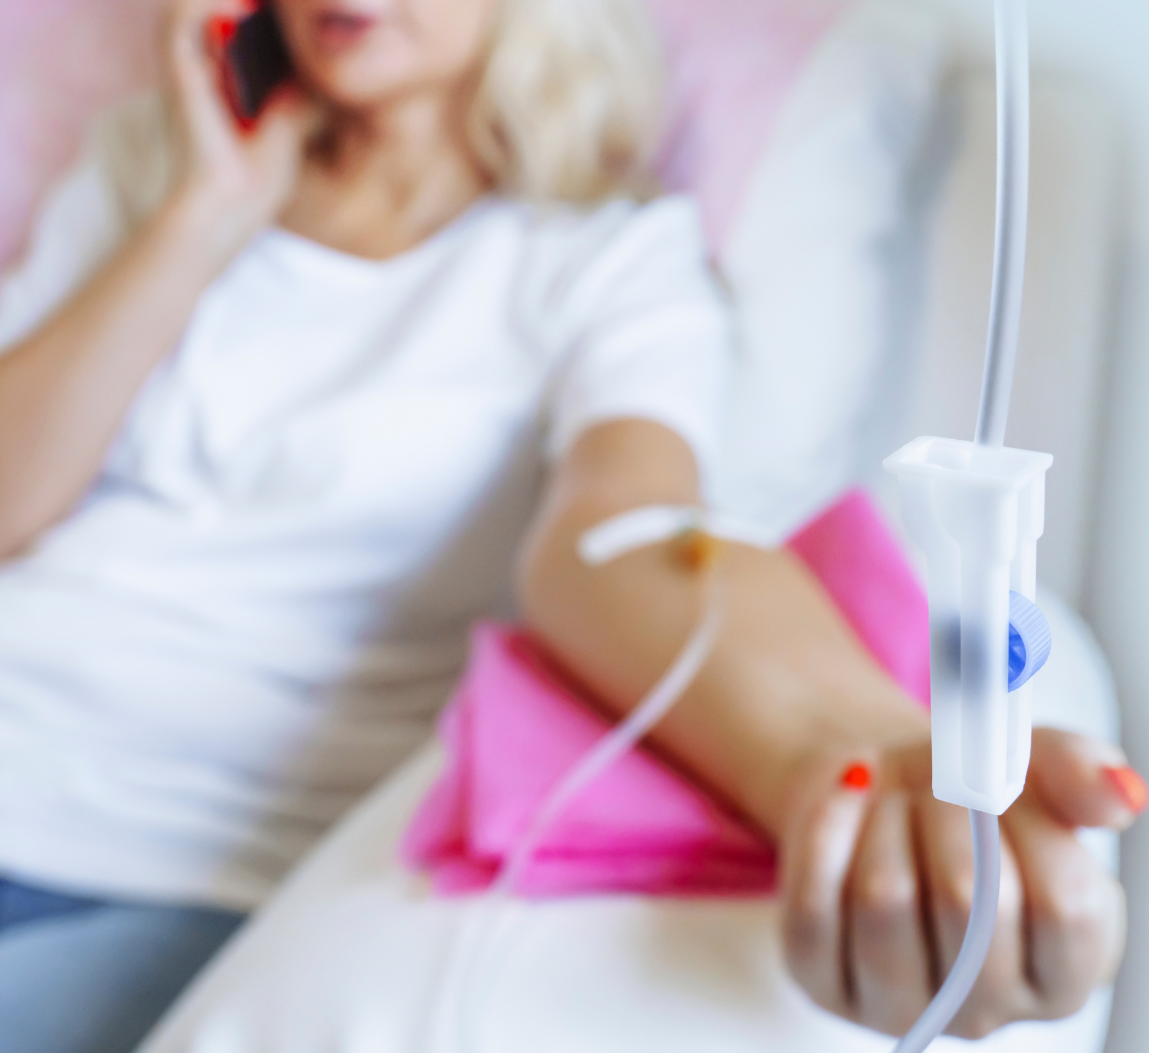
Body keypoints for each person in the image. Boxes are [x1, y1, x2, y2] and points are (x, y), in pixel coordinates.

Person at [0, 0, 1141, 1050]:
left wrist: (843, 748)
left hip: (158, 869)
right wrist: (205, 214)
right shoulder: (149, 178)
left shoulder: (600, 262)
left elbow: (632, 541)